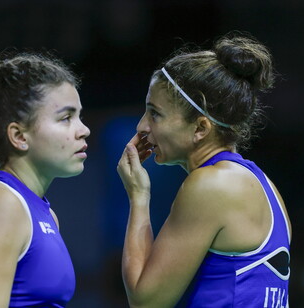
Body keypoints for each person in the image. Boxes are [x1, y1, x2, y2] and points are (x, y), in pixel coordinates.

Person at [117, 32, 291, 308]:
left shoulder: (211, 186)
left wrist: (138, 196)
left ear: (200, 128)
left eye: (155, 114)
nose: (142, 127)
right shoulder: (263, 184)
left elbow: (145, 301)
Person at [0, 40, 90, 307]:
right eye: (66, 118)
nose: (83, 130)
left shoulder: (45, 215)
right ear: (19, 136)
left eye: (79, 116)